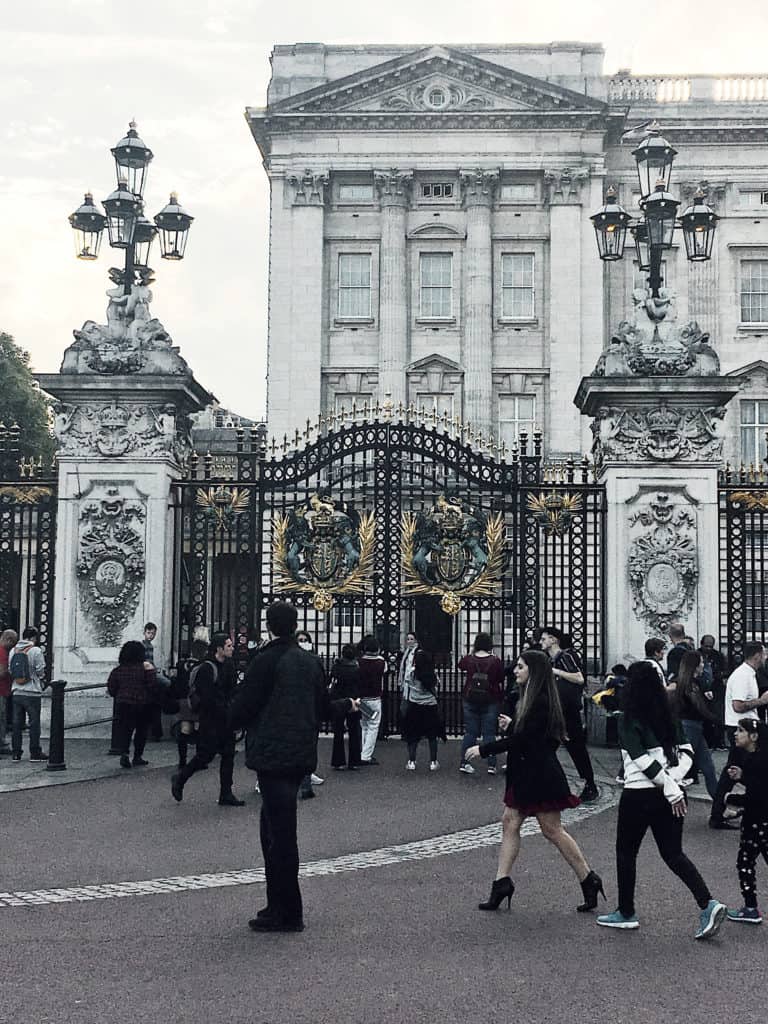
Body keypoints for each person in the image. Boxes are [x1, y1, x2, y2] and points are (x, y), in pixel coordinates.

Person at [228, 601, 359, 933]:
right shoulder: (311, 661)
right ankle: (278, 903)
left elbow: (243, 708)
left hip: (273, 755)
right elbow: (323, 708)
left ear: (270, 626)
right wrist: (346, 705)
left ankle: (288, 911)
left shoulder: (265, 661)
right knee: (273, 830)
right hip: (299, 753)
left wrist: (220, 718)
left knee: (280, 835)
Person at [465, 650, 603, 914]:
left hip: (540, 775)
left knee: (552, 830)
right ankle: (501, 883)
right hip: (527, 772)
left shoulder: (540, 700)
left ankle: (588, 878)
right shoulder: (527, 698)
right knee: (510, 821)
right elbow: (527, 735)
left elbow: (526, 740)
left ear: (533, 671)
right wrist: (513, 725)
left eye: (519, 667)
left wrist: (485, 749)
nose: (514, 671)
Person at [596, 661, 727, 939]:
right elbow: (687, 751)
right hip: (669, 793)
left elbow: (641, 759)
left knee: (626, 852)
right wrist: (674, 781)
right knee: (673, 854)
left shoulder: (628, 717)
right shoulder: (669, 713)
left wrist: (669, 785)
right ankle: (707, 902)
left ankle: (626, 911)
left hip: (639, 792)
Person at [170, 633, 244, 807]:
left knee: (228, 755)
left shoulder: (229, 665)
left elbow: (232, 690)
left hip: (226, 718)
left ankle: (226, 793)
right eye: (228, 646)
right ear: (219, 649)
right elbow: (207, 697)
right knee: (204, 756)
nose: (232, 648)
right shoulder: (207, 668)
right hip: (211, 719)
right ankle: (180, 778)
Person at [710, 641, 768, 830]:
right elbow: (738, 705)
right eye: (764, 654)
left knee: (737, 771)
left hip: (745, 728)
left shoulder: (748, 674)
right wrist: (761, 701)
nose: (766, 657)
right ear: (757, 655)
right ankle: (722, 812)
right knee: (739, 770)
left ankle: (722, 811)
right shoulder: (743, 675)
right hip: (741, 729)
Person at [540, 627, 598, 802]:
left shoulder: (565, 657)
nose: (541, 642)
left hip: (568, 712)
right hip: (558, 711)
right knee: (548, 748)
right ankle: (553, 786)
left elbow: (579, 678)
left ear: (553, 640)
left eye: (543, 639)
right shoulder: (550, 660)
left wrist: (556, 672)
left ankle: (589, 785)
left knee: (575, 749)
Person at [724, 718, 768, 924]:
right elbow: (756, 784)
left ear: (754, 736)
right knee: (745, 861)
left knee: (745, 862)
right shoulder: (754, 758)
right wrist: (741, 776)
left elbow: (758, 795)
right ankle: (750, 908)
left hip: (759, 822)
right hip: (755, 821)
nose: (736, 733)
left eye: (741, 730)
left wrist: (733, 800)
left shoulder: (760, 760)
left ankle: (751, 908)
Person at [672, 650, 719, 800]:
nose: (703, 666)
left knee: (708, 767)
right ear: (695, 665)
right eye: (701, 663)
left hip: (694, 726)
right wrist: (716, 719)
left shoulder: (688, 683)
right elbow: (699, 707)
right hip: (690, 726)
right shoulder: (689, 684)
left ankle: (718, 803)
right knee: (682, 765)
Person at [458, 632, 504, 775]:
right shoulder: (495, 661)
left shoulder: (469, 659)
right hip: (490, 699)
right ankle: (491, 766)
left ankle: (464, 763)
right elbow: (501, 678)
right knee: (489, 734)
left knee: (470, 732)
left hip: (470, 698)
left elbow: (460, 665)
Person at [107, 641, 159, 768]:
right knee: (141, 731)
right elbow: (152, 685)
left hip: (123, 703)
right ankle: (137, 756)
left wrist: (119, 695)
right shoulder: (145, 669)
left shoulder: (118, 670)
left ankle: (124, 753)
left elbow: (112, 687)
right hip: (142, 703)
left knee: (126, 730)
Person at [401, 648, 444, 771]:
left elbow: (407, 683)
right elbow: (437, 686)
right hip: (430, 706)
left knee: (413, 736)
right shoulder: (432, 674)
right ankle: (433, 762)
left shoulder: (412, 673)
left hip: (415, 705)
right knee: (432, 736)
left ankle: (412, 761)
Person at [9, 626, 48, 762]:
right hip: (32, 692)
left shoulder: (13, 650)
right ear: (33, 638)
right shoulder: (35, 650)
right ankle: (35, 752)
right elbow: (40, 670)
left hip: (17, 691)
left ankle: (16, 753)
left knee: (16, 723)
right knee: (34, 723)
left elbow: (10, 669)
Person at [296, 630, 326, 797]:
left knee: (310, 745)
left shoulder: (314, 661)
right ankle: (304, 781)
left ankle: (307, 777)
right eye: (299, 640)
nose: (302, 643)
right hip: (296, 710)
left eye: (305, 640)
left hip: (311, 709)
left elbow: (321, 685)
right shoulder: (290, 660)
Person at [170, 639, 208, 769]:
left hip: (184, 699)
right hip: (197, 699)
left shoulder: (181, 664)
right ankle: (199, 760)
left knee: (185, 728)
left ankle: (182, 760)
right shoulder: (203, 666)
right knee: (199, 728)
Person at [329, 644, 363, 770]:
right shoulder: (357, 669)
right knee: (354, 732)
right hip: (353, 700)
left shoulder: (336, 667)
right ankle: (354, 761)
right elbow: (360, 685)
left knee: (338, 732)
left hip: (338, 700)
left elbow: (331, 682)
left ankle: (338, 761)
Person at [358, 634, 387, 765]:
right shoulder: (381, 662)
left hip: (361, 699)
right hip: (374, 699)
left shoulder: (359, 662)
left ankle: (363, 752)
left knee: (364, 725)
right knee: (373, 726)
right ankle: (366, 755)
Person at [0, 628, 17, 756]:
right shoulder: (2, 652)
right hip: (1, 689)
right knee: (1, 718)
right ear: (8, 640)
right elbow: (2, 672)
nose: (13, 646)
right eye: (13, 643)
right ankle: (2, 743)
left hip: (3, 690)